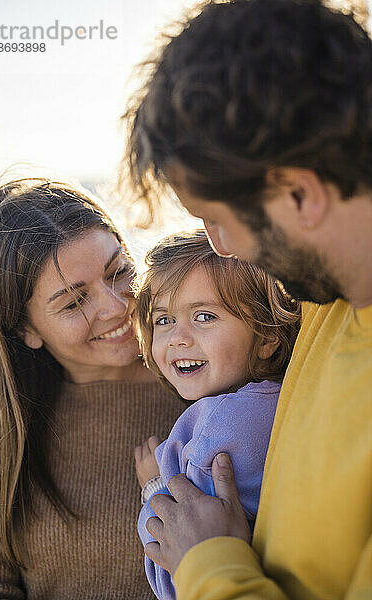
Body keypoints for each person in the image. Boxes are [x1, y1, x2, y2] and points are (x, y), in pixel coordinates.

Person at [123, 0, 372, 598]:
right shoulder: (323, 305)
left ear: (297, 194)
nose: (219, 248)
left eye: (214, 219)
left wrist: (209, 564)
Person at [0, 178, 184, 599]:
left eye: (119, 271)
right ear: (24, 328)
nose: (116, 305)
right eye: (73, 302)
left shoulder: (209, 381)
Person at [133, 231, 300, 599]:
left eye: (204, 316)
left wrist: (154, 488)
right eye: (163, 320)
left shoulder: (221, 428)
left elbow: (177, 572)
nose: (178, 337)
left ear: (267, 335)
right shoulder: (274, 401)